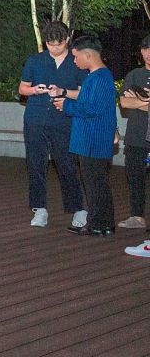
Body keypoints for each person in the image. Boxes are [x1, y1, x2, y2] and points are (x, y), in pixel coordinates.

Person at [18, 21, 88, 229]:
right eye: (50, 44)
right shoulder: (35, 61)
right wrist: (35, 90)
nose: (55, 48)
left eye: (59, 44)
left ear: (67, 39)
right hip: (36, 118)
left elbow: (83, 93)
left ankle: (78, 208)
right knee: (35, 164)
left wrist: (63, 92)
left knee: (67, 164)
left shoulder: (77, 62)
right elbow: (22, 88)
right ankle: (39, 209)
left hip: (63, 119)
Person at [54, 34, 117, 237]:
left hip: (92, 140)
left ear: (88, 55)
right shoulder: (98, 77)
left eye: (76, 56)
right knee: (98, 183)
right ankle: (104, 223)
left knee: (94, 184)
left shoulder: (99, 78)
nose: (74, 61)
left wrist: (66, 105)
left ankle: (97, 224)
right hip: (92, 139)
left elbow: (92, 108)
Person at [117, 34, 150, 231]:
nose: (148, 54)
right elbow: (124, 102)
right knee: (135, 178)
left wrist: (137, 100)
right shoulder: (134, 75)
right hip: (136, 137)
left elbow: (132, 101)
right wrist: (146, 101)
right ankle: (137, 216)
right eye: (145, 50)